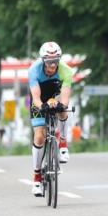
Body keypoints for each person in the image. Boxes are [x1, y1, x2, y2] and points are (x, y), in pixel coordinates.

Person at [28, 41, 74, 196]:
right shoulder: (34, 70)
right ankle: (37, 177)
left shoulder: (66, 70)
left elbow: (66, 97)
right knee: (39, 137)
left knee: (63, 110)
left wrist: (61, 105)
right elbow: (35, 97)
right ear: (43, 60)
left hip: (55, 96)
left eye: (55, 61)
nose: (52, 65)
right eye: (49, 62)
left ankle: (62, 143)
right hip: (39, 100)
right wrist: (42, 106)